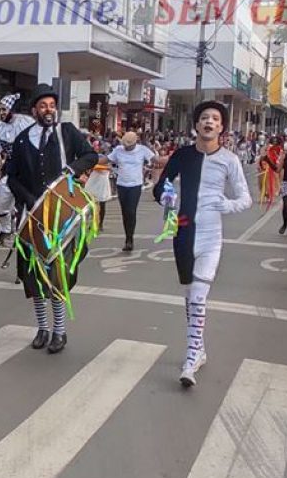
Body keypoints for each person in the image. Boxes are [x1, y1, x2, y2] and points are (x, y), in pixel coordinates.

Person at [153, 101, 251, 387]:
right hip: (183, 233)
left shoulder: (229, 160)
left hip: (210, 236)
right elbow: (161, 187)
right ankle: (199, 348)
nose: (209, 122)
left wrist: (226, 204)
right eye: (204, 118)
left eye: (215, 119)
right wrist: (167, 199)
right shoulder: (183, 155)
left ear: (221, 127)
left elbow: (245, 199)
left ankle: (191, 357)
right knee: (190, 294)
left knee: (198, 295)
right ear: (196, 125)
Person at [7, 84, 98, 354]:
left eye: (51, 105)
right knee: (33, 276)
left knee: (57, 276)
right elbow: (12, 177)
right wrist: (28, 199)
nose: (48, 110)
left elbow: (90, 155)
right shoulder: (22, 139)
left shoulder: (66, 132)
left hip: (62, 218)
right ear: (34, 110)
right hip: (32, 217)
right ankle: (42, 328)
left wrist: (72, 169)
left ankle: (60, 331)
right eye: (43, 106)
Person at [0, 93, 34, 245]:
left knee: (25, 205)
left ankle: (23, 235)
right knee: (0, 205)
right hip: (10, 170)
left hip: (28, 170)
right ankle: (6, 229)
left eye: (4, 109)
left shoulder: (27, 123)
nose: (1, 113)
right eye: (0, 109)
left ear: (12, 109)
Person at [102, 131, 155, 251]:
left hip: (135, 185)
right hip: (121, 184)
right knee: (125, 213)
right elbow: (106, 160)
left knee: (131, 211)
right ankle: (128, 236)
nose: (126, 147)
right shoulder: (118, 150)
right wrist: (89, 160)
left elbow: (155, 159)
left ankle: (129, 240)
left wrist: (171, 159)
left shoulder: (142, 150)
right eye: (125, 145)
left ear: (135, 143)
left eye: (129, 145)